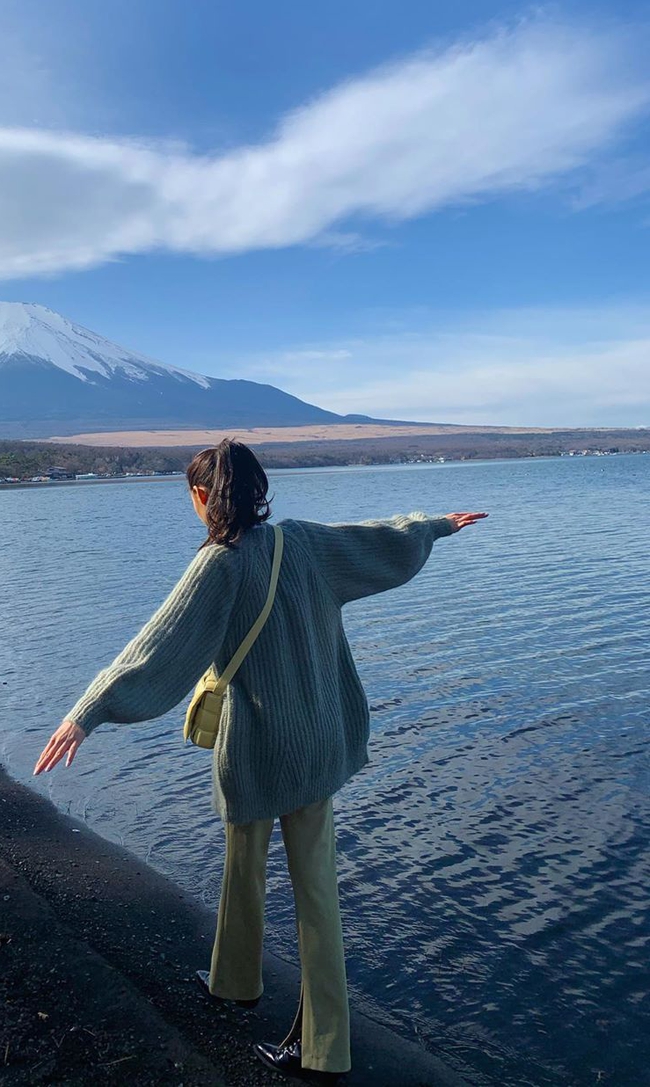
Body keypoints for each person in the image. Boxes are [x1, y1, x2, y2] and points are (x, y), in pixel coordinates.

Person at [34, 438, 487, 1080]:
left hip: (258, 748)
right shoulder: (300, 542)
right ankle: (249, 990)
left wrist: (87, 711)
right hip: (320, 740)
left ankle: (305, 1039)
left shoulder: (218, 565)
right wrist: (438, 525)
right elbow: (381, 540)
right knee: (314, 890)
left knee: (247, 865)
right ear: (258, 488)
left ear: (201, 497)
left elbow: (156, 650)